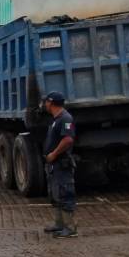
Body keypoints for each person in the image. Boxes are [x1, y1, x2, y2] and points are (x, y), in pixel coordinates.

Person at [42, 91, 78, 239]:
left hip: (61, 163)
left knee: (65, 193)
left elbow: (68, 140)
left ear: (51, 103)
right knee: (56, 194)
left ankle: (70, 228)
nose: (44, 104)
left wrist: (54, 154)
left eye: (46, 102)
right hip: (54, 165)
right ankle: (59, 224)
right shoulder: (56, 119)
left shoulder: (65, 118)